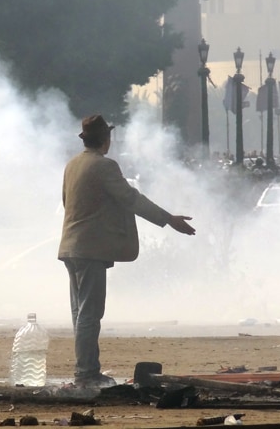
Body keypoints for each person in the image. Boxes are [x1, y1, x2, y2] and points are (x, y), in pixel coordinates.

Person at [57, 114, 196, 389]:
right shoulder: (104, 166)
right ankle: (86, 373)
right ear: (106, 140)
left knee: (81, 313)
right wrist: (169, 219)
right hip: (90, 250)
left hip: (70, 247)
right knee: (89, 314)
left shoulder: (72, 164)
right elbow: (131, 199)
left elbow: (68, 203)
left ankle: (87, 370)